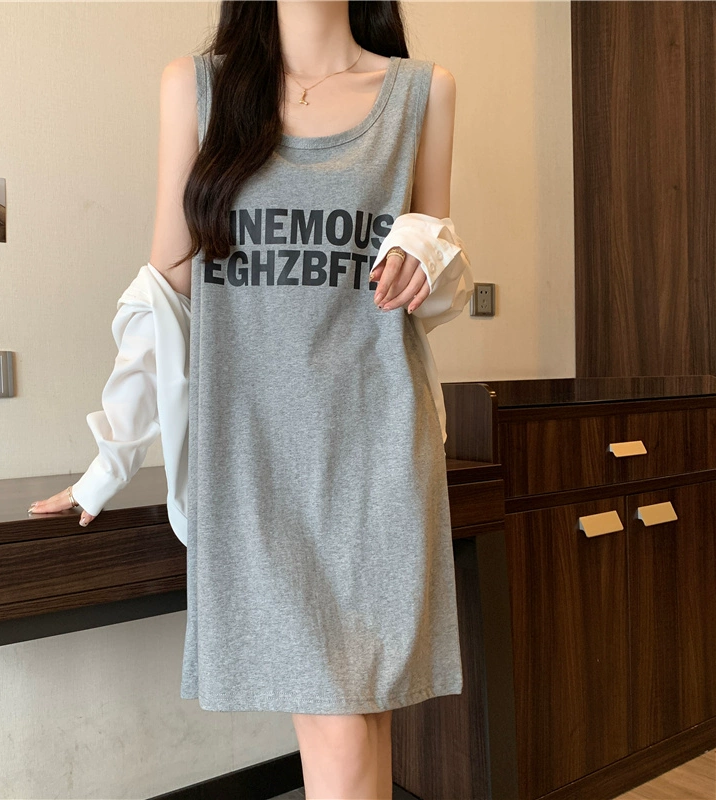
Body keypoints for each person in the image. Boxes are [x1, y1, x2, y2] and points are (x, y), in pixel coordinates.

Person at [29, 1, 473, 797]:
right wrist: (110, 461)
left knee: (361, 716)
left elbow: (435, 295)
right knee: (343, 722)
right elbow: (165, 292)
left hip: (377, 453)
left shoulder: (422, 92)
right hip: (254, 461)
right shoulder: (197, 89)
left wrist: (428, 247)